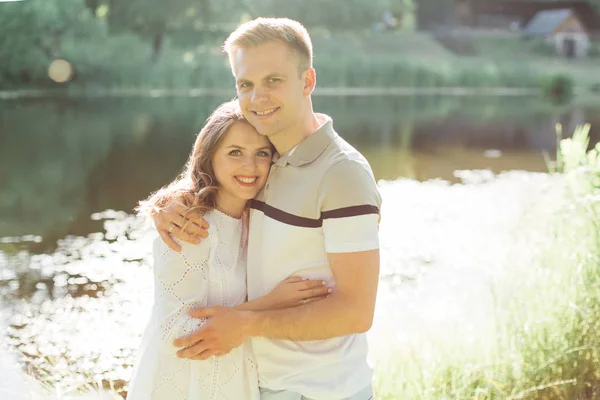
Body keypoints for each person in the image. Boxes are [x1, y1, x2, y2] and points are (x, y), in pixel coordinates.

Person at [154, 18, 382, 400]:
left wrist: (244, 325)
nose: (258, 98)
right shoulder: (266, 158)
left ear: (307, 82)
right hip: (250, 382)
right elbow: (211, 182)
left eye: (273, 81)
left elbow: (356, 312)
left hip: (318, 391)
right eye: (246, 84)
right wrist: (167, 203)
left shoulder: (342, 173)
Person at [127, 101, 331, 400]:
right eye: (235, 152)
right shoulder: (189, 225)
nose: (250, 166)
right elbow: (176, 331)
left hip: (235, 376)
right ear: (209, 158)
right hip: (184, 382)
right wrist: (271, 302)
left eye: (261, 153)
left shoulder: (256, 219)